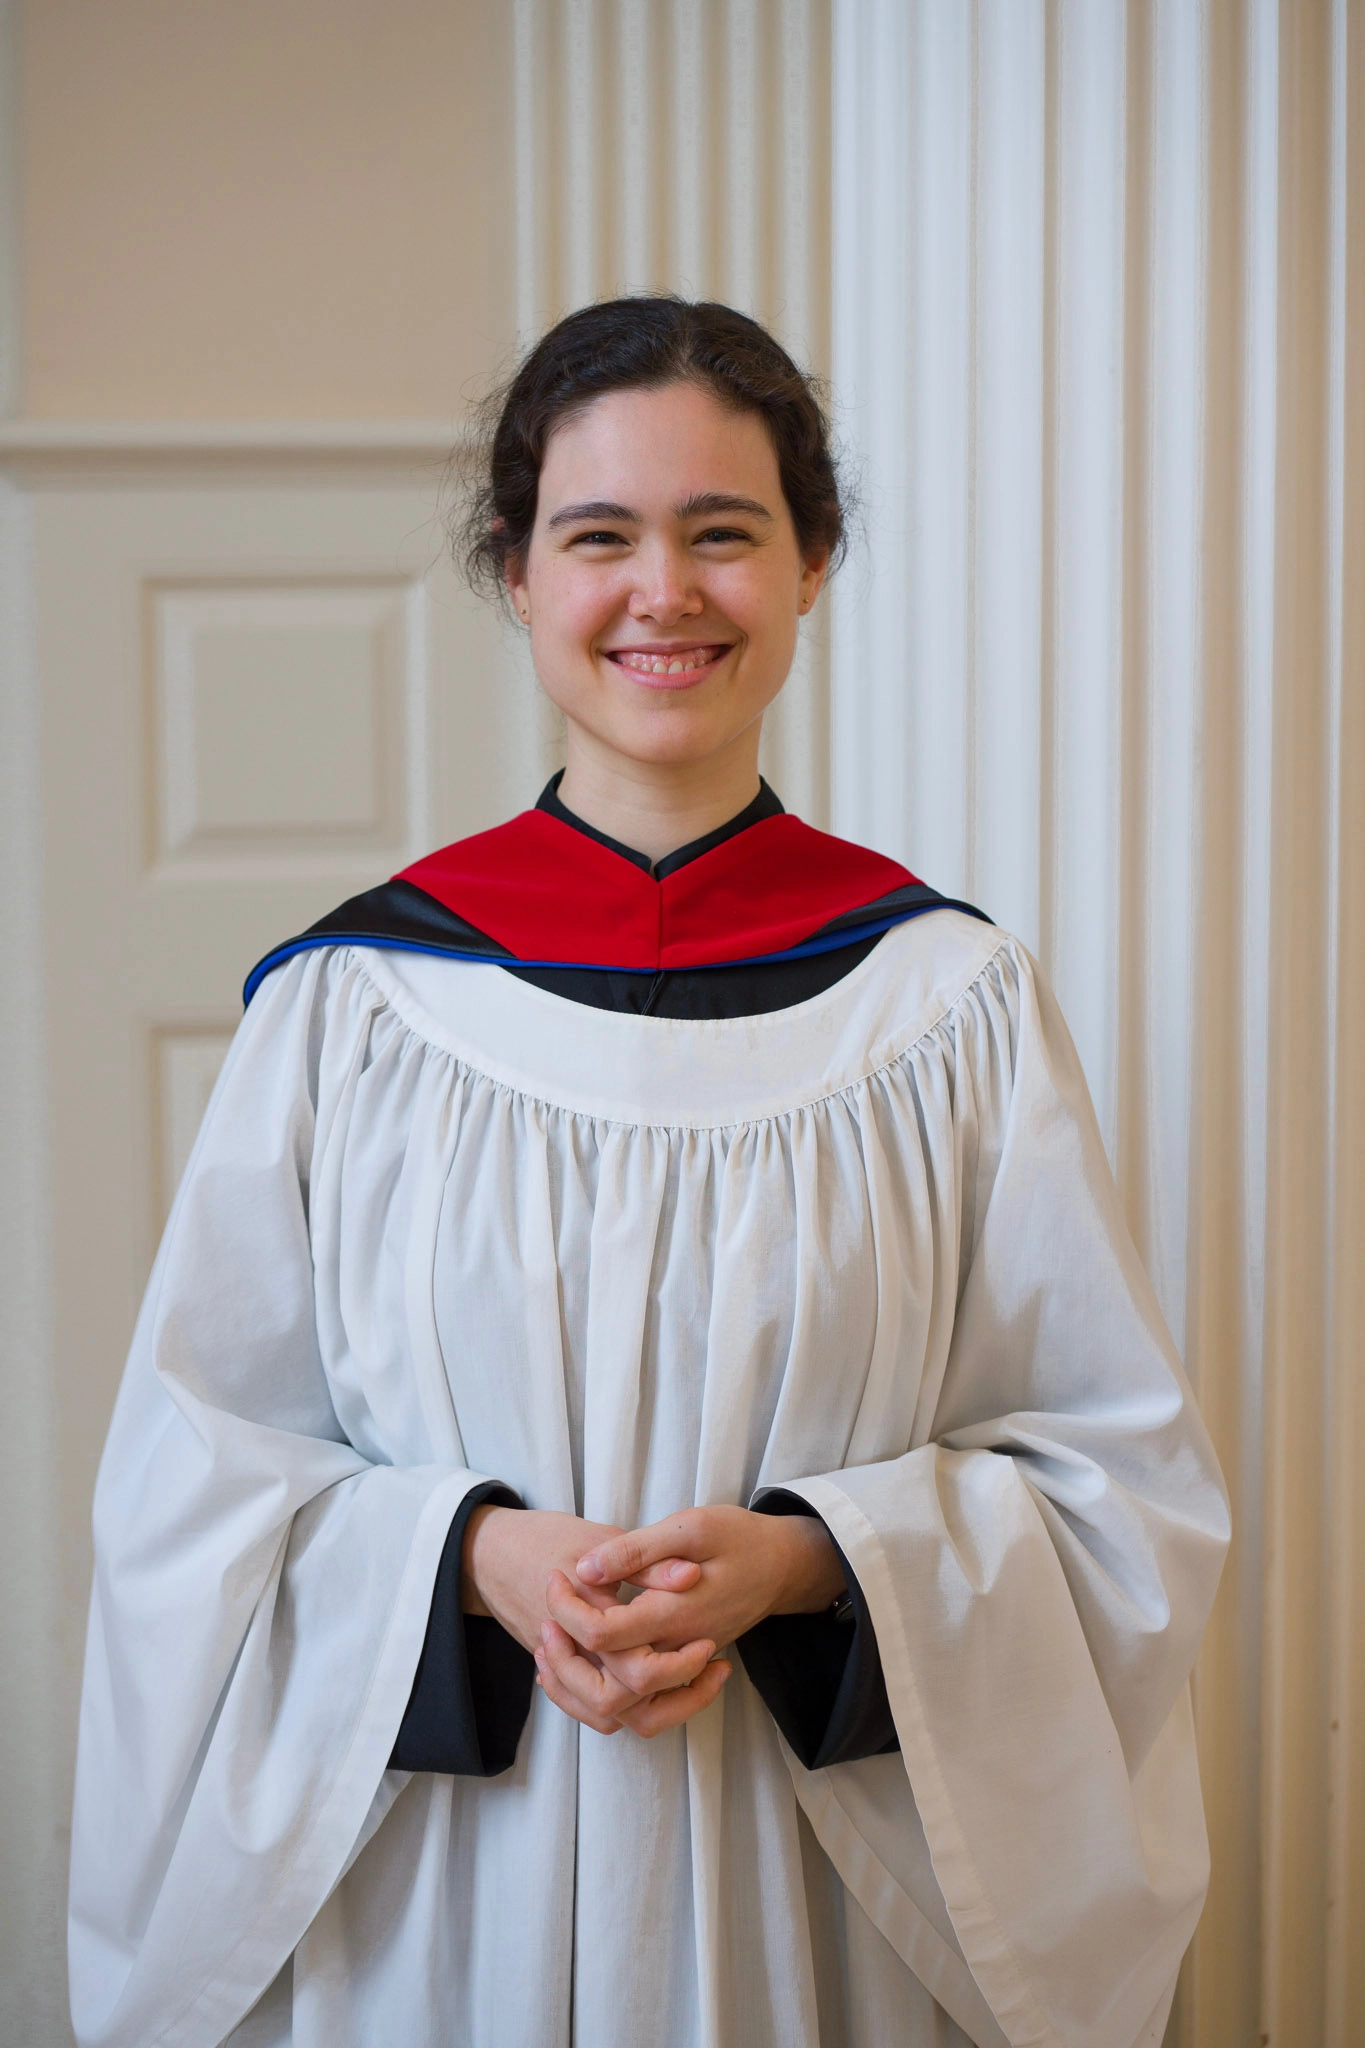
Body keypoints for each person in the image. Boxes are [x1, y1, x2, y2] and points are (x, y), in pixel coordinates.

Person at [69, 297, 1229, 2048]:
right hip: (446, 1880)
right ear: (516, 573)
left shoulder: (950, 1008)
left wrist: (814, 1564)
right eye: (597, 536)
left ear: (814, 560)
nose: (662, 593)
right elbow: (193, 1494)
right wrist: (472, 1559)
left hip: (814, 1889)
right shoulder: (354, 1010)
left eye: (724, 533)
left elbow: (1115, 1498)